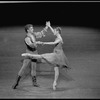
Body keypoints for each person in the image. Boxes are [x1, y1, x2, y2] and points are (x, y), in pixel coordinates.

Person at [22, 21, 71, 90]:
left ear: (58, 32)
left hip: (57, 54)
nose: (54, 31)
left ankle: (28, 54)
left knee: (43, 56)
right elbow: (53, 32)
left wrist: (44, 43)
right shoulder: (57, 35)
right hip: (57, 53)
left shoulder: (59, 38)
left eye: (55, 31)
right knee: (56, 69)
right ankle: (55, 82)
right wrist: (49, 26)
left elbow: (53, 43)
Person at [12, 24, 48, 89]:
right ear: (28, 30)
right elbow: (32, 45)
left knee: (34, 67)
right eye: (31, 29)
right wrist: (38, 42)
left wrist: (47, 26)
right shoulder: (27, 38)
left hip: (35, 53)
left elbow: (41, 33)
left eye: (32, 28)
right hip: (29, 53)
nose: (33, 29)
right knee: (23, 67)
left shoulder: (33, 34)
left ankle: (34, 82)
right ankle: (16, 82)